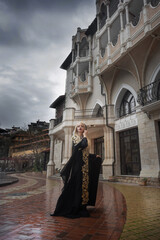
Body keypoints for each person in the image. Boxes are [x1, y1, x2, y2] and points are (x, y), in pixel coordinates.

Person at [50, 122, 102, 218]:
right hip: (78, 166)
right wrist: (86, 136)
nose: (80, 127)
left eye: (82, 126)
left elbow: (85, 153)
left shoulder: (85, 139)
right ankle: (74, 206)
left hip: (85, 166)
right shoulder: (75, 138)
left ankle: (82, 206)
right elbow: (82, 146)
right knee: (77, 185)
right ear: (76, 128)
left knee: (84, 186)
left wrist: (94, 155)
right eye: (78, 126)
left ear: (85, 128)